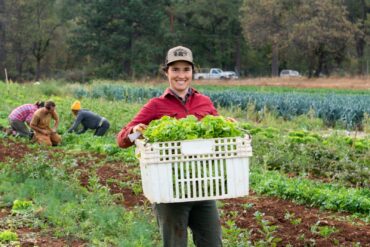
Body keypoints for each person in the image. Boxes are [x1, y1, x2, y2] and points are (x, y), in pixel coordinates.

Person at [117, 46, 222, 247]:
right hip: (169, 190)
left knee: (213, 243)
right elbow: (122, 140)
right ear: (166, 72)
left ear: (192, 72)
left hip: (203, 187)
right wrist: (137, 130)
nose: (181, 75)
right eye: (175, 70)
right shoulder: (155, 105)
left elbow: (218, 132)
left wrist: (229, 126)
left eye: (186, 69)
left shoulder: (204, 102)